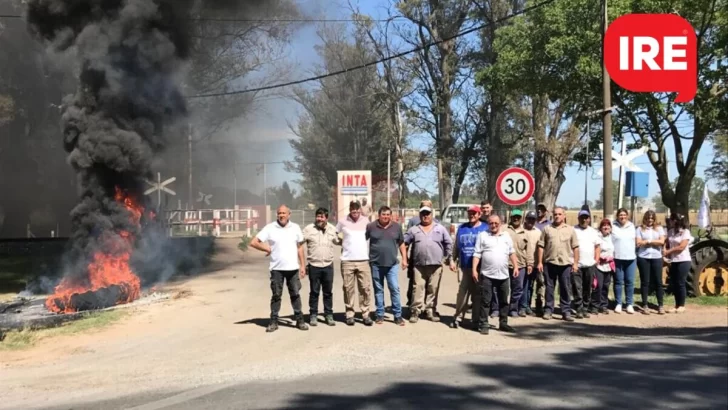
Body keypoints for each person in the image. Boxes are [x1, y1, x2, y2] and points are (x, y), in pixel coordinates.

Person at [250, 205, 308, 333]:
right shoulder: (270, 228)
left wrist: (302, 265)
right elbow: (254, 242)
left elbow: (299, 248)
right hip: (277, 269)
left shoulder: (296, 228)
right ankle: (274, 321)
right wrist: (266, 248)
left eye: (284, 213)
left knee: (295, 294)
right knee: (276, 295)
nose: (281, 215)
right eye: (279, 213)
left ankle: (300, 320)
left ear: (289, 214)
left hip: (293, 268)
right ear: (277, 214)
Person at [404, 205, 452, 323]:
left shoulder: (440, 228)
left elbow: (449, 243)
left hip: (436, 265)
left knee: (433, 288)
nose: (425, 216)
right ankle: (415, 311)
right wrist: (405, 258)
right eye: (423, 214)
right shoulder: (414, 229)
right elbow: (404, 243)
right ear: (420, 215)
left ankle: (430, 310)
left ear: (432, 215)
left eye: (428, 214)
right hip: (418, 265)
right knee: (417, 288)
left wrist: (448, 257)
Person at [472, 215, 518, 334]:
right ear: (488, 224)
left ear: (501, 223)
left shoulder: (506, 236)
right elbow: (477, 254)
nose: (493, 225)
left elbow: (511, 252)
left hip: (503, 275)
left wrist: (516, 266)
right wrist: (474, 269)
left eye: (496, 223)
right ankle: (483, 324)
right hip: (487, 274)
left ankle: (503, 323)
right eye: (491, 223)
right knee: (486, 301)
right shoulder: (483, 235)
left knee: (504, 300)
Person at [366, 206, 408, 326]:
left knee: (394, 289)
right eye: (383, 214)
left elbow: (401, 243)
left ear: (391, 215)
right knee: (378, 290)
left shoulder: (396, 227)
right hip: (376, 264)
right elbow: (363, 240)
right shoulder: (371, 227)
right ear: (379, 215)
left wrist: (404, 259)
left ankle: (397, 315)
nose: (386, 217)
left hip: (392, 265)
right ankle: (380, 314)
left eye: (388, 214)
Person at [537, 207, 579, 322]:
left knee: (565, 288)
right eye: (555, 214)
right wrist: (540, 262)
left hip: (565, 264)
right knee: (549, 288)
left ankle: (566, 311)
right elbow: (541, 246)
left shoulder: (570, 230)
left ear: (564, 216)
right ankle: (548, 310)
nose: (557, 216)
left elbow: (575, 247)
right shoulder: (547, 229)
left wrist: (575, 263)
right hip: (549, 263)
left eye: (560, 214)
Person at [449, 205, 488, 329]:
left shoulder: (486, 228)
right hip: (465, 267)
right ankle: (458, 317)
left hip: (481, 268)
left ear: (479, 214)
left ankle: (475, 320)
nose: (472, 215)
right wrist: (452, 260)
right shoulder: (462, 228)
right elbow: (456, 246)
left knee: (477, 295)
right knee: (462, 294)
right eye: (470, 213)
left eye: (474, 213)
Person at [336, 201, 373, 326]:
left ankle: (365, 314)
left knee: (365, 288)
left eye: (357, 210)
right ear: (350, 210)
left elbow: (370, 236)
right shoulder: (342, 221)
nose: (355, 212)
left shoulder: (366, 221)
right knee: (348, 288)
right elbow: (335, 234)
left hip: (363, 260)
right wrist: (342, 242)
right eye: (353, 210)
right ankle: (350, 314)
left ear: (360, 210)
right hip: (347, 261)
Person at [302, 207, 339, 327]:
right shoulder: (308, 229)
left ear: (326, 218)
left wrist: (346, 236)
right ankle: (313, 314)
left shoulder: (332, 229)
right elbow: (298, 242)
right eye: (318, 216)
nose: (319, 219)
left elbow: (339, 241)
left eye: (322, 216)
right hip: (314, 265)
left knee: (328, 292)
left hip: (328, 265)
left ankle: (328, 314)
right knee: (314, 292)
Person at [405, 200, 439, 308]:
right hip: (416, 258)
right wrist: (406, 258)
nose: (425, 214)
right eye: (423, 207)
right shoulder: (413, 221)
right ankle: (412, 303)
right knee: (414, 283)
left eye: (428, 207)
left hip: (432, 259)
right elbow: (407, 241)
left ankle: (428, 306)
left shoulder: (437, 222)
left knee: (431, 284)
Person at [636, 210, 666, 315]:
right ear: (645, 218)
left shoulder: (659, 229)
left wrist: (648, 242)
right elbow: (638, 243)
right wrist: (654, 242)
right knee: (645, 282)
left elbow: (661, 242)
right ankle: (645, 305)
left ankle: (660, 305)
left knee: (658, 282)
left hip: (656, 257)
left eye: (652, 218)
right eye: (648, 218)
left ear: (654, 219)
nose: (650, 220)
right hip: (643, 257)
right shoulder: (640, 229)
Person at [572, 209, 600, 319]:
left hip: (590, 265)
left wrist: (596, 260)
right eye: (582, 217)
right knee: (577, 287)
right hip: (577, 265)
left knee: (587, 288)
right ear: (578, 218)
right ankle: (579, 308)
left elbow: (597, 247)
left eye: (586, 217)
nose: (584, 220)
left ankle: (585, 308)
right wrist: (572, 262)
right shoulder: (573, 230)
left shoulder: (593, 232)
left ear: (589, 219)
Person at [664, 213, 692, 314]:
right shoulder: (670, 232)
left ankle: (682, 305)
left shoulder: (685, 232)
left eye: (672, 219)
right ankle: (676, 305)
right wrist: (664, 249)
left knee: (680, 282)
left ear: (677, 220)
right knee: (675, 283)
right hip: (674, 261)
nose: (670, 221)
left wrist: (668, 251)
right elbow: (666, 242)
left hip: (683, 260)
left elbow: (681, 247)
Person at [611, 208, 637, 314]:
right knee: (618, 281)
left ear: (627, 216)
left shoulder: (632, 226)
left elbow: (635, 240)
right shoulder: (613, 226)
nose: (622, 217)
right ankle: (618, 303)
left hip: (631, 258)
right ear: (617, 216)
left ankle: (629, 304)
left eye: (624, 215)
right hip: (617, 258)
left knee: (629, 282)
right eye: (620, 215)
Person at [506, 209, 528, 318]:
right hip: (505, 264)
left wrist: (530, 264)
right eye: (514, 217)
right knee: (503, 289)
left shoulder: (525, 232)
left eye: (518, 217)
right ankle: (500, 308)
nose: (516, 219)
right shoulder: (504, 230)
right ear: (511, 217)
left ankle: (513, 308)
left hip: (520, 265)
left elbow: (528, 250)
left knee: (518, 288)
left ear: (521, 218)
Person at [520, 211, 543, 316]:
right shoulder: (520, 230)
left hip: (534, 263)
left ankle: (528, 306)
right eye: (529, 219)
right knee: (523, 285)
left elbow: (540, 248)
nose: (531, 221)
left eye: (533, 219)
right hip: (522, 263)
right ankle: (522, 307)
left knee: (530, 286)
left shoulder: (538, 232)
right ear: (525, 219)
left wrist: (539, 262)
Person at [594, 219, 615, 315]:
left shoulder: (612, 237)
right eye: (604, 226)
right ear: (600, 227)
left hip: (608, 265)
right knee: (598, 286)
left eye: (608, 226)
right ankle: (595, 305)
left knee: (606, 286)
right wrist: (599, 258)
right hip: (599, 265)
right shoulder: (597, 236)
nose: (606, 227)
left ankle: (604, 305)